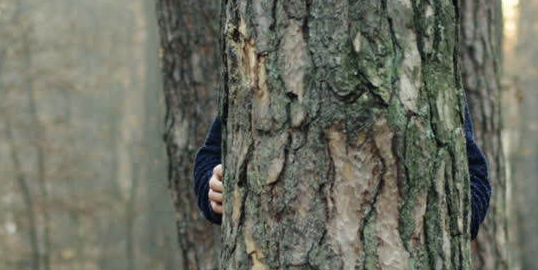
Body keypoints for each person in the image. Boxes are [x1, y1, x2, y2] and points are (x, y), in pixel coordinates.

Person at [192, 100, 492, 239]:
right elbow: (211, 155)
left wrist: (443, 214)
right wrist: (213, 187)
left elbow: (475, 183)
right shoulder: (263, 56)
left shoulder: (420, 62)